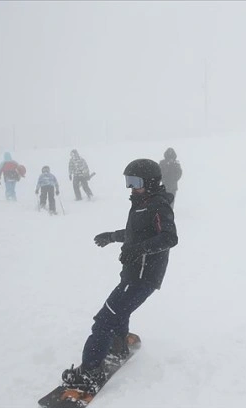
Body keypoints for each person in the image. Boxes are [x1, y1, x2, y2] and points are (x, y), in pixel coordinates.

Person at [60, 158, 178, 393]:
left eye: (135, 181)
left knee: (104, 320)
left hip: (143, 276)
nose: (131, 187)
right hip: (134, 273)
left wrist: (137, 250)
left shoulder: (158, 205)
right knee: (120, 310)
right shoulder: (142, 202)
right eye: (128, 181)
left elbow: (169, 238)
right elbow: (137, 233)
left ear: (151, 182)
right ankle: (119, 345)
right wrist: (112, 236)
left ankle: (90, 372)